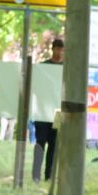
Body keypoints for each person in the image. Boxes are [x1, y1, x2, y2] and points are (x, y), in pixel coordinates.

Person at [32, 37, 63, 182]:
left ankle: (48, 174)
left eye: (61, 49)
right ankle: (36, 173)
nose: (59, 52)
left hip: (57, 112)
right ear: (53, 49)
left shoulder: (65, 69)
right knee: (40, 141)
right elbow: (37, 87)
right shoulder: (43, 67)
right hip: (43, 110)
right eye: (57, 49)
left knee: (53, 144)